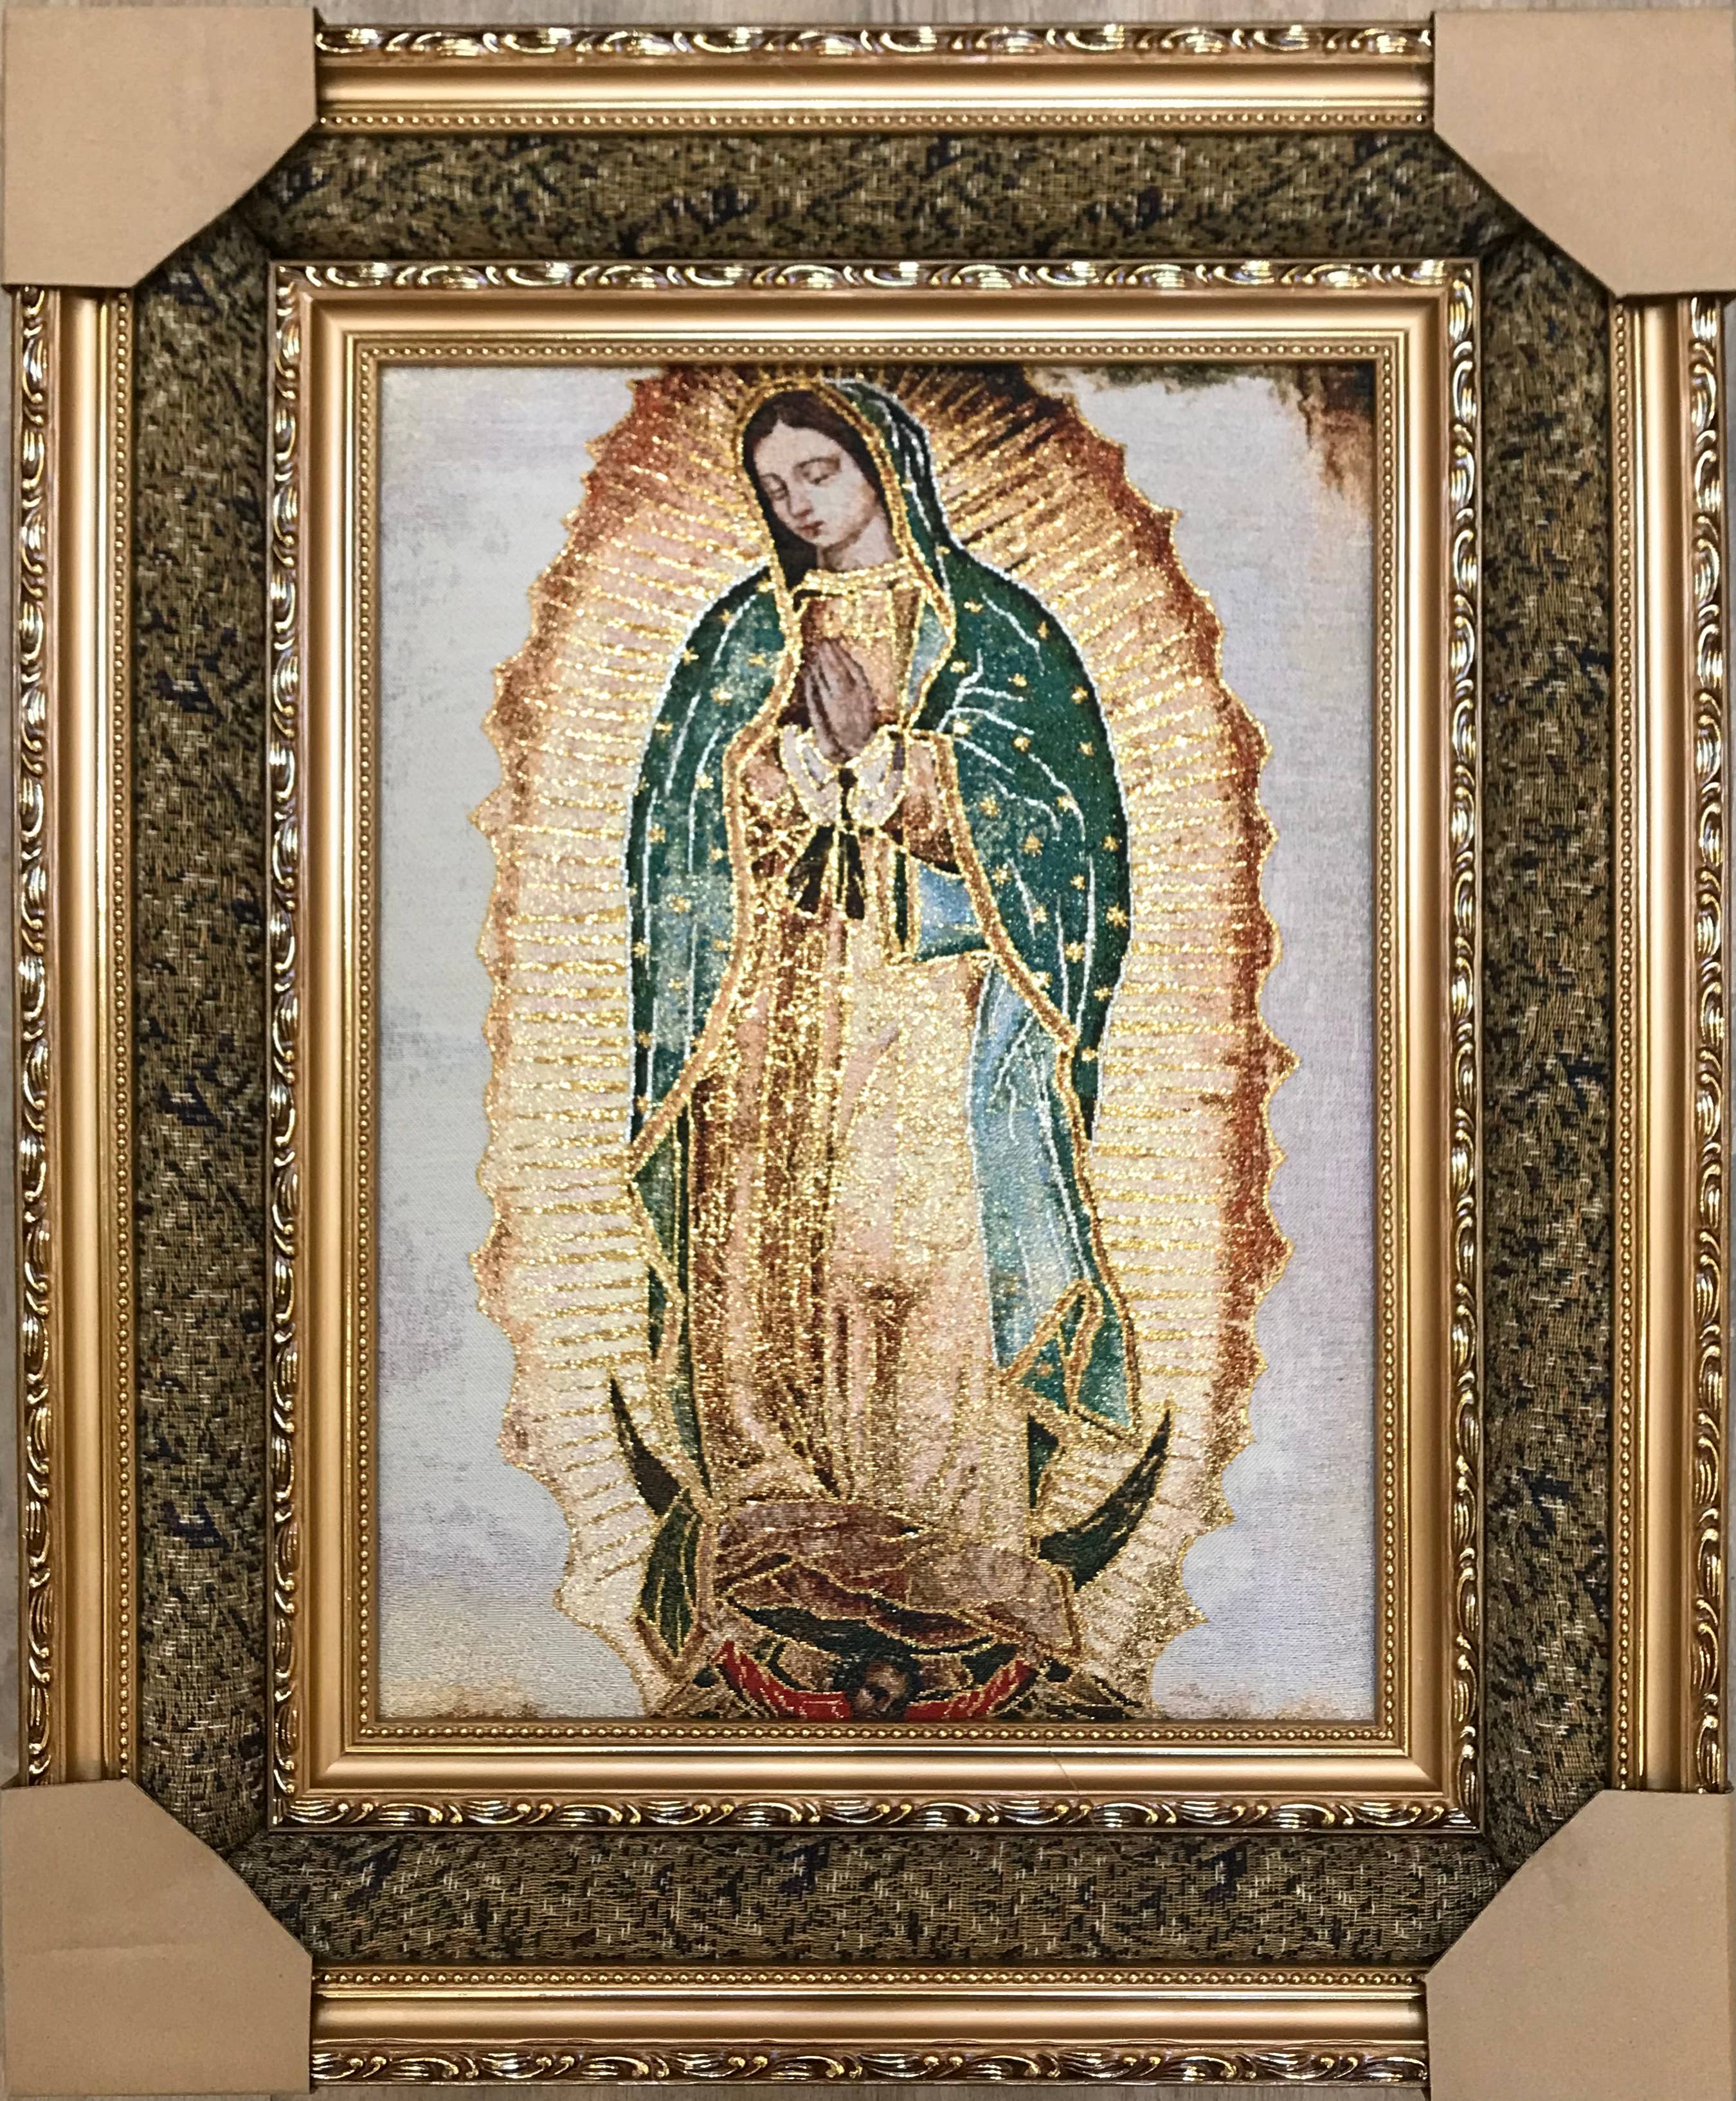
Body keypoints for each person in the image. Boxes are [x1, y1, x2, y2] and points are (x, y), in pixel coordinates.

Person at [620, 378, 1156, 1719]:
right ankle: (780, 1532)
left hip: (929, 998)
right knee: (766, 1264)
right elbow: (678, 835)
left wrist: (901, 768)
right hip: (771, 1004)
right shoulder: (744, 634)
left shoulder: (995, 634)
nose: (800, 503)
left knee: (915, 1253)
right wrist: (773, 776)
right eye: (778, 485)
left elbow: (1064, 833)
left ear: (884, 467)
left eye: (821, 472)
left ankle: (950, 1555)